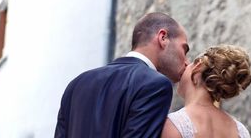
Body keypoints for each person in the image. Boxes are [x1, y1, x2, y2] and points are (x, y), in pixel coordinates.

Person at [54, 12, 190, 138]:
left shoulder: (76, 85)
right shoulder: (155, 85)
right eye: (184, 49)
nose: (187, 62)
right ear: (163, 38)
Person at [161, 45, 251, 138]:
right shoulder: (241, 131)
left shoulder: (174, 125)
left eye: (191, 62)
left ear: (198, 67)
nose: (186, 64)